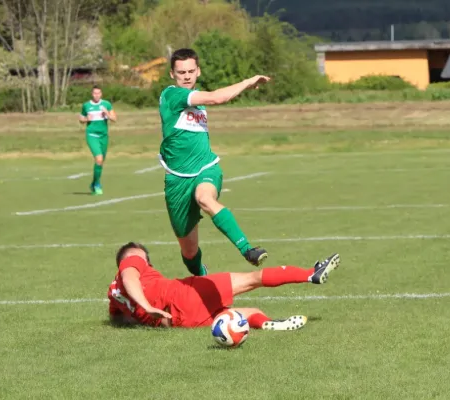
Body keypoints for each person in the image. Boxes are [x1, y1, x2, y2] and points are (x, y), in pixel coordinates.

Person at [158, 48, 271, 276]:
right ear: (172, 74)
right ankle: (202, 275)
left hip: (207, 168)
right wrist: (248, 82)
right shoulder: (172, 95)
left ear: (198, 71)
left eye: (191, 71)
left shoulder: (196, 97)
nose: (187, 76)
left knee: (204, 198)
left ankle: (247, 249)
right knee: (189, 253)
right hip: (177, 181)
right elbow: (218, 97)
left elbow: (212, 98)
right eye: (181, 72)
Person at [107, 242, 341, 330]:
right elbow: (129, 277)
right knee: (253, 279)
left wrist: (143, 317)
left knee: (244, 315)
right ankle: (311, 274)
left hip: (180, 322)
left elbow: (120, 319)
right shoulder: (131, 261)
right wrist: (147, 306)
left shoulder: (113, 295)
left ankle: (269, 323)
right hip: (186, 294)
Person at [79, 85, 117, 195]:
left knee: (101, 162)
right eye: (95, 93)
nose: (97, 95)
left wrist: (108, 114)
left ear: (101, 94)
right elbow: (81, 119)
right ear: (92, 94)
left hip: (104, 136)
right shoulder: (86, 105)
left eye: (98, 93)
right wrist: (86, 119)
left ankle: (94, 183)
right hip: (91, 135)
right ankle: (97, 185)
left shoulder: (106, 104)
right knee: (99, 159)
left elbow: (114, 119)